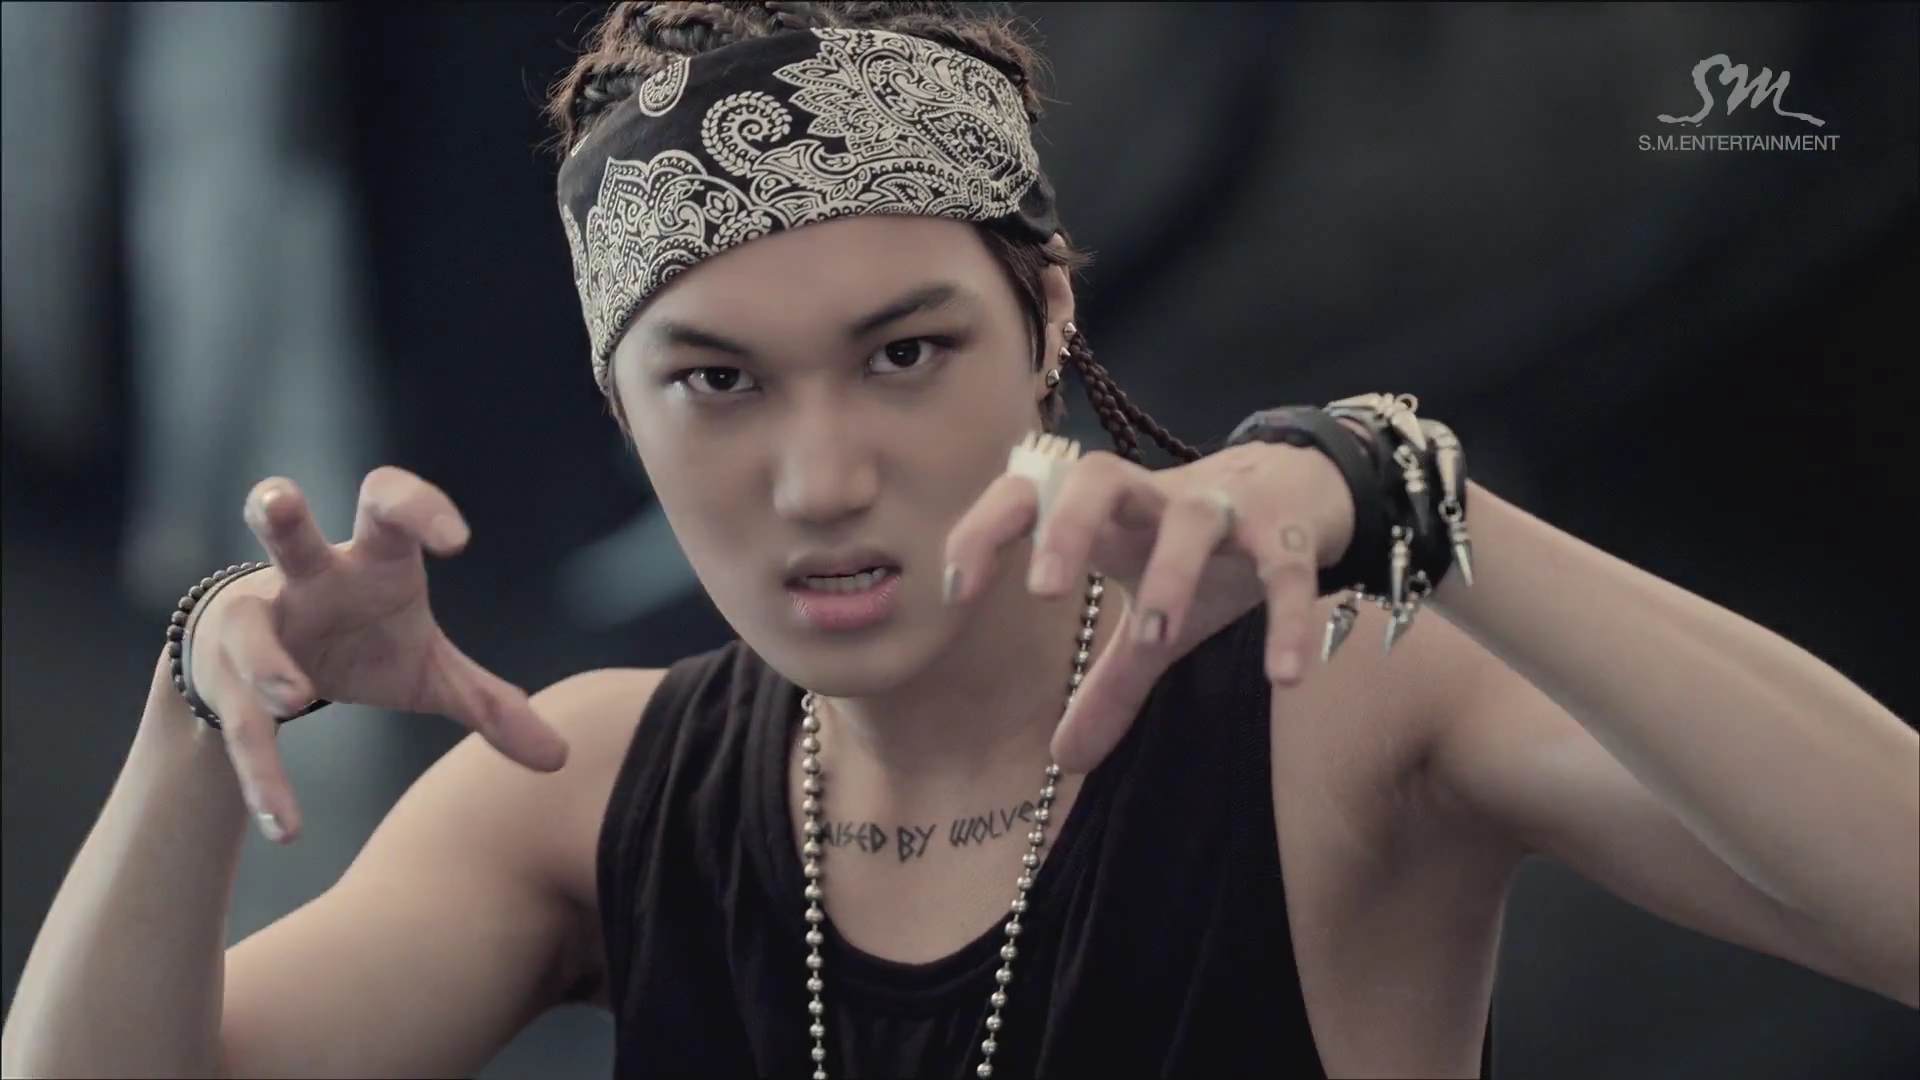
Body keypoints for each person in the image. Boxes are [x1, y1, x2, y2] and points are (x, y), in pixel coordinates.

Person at [4, 4, 1915, 1079]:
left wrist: (1429, 512)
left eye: (904, 353)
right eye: (717, 383)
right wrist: (196, 710)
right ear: (620, 410)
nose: (821, 476)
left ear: (1046, 323)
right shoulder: (580, 785)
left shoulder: (1335, 707)